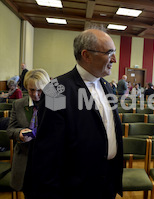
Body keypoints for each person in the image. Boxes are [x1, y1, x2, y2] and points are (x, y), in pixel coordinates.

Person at [30, 28, 123, 199]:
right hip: (75, 188)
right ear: (86, 55)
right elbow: (48, 152)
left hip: (107, 183)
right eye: (109, 53)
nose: (115, 59)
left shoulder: (107, 86)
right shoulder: (55, 90)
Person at [7, 69, 50, 197]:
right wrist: (19, 133)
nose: (36, 94)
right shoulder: (18, 104)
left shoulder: (55, 104)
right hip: (25, 161)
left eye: (40, 90)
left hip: (48, 161)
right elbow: (10, 130)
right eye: (31, 90)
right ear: (26, 87)